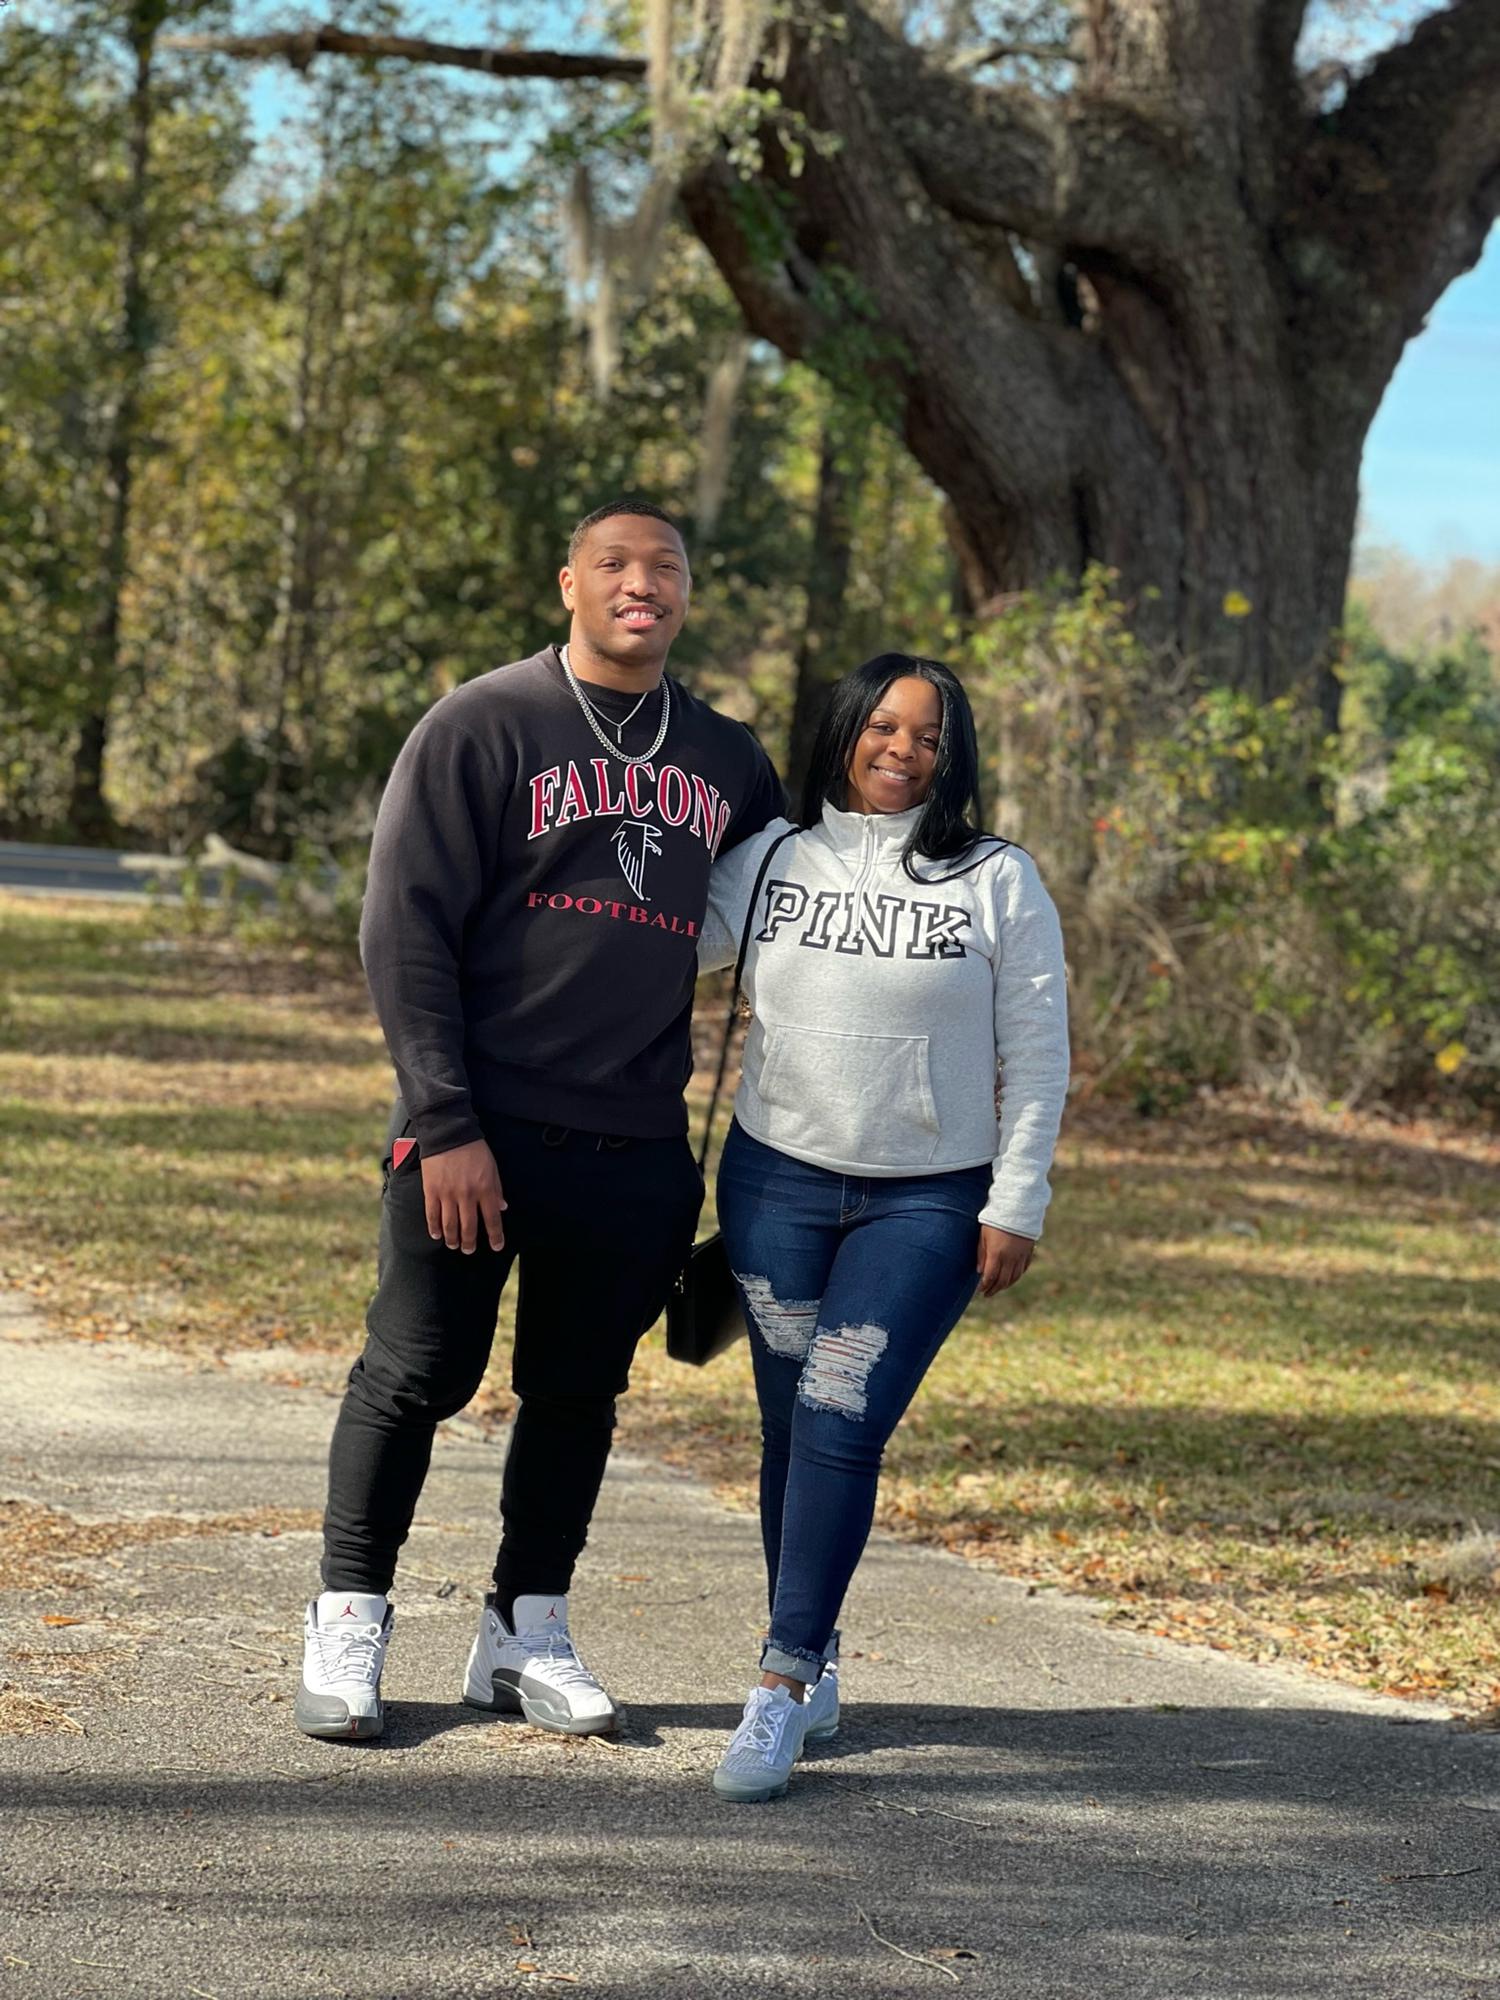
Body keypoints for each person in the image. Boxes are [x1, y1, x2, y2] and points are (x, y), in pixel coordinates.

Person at [295, 500, 783, 1742]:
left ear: (686, 593)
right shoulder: (483, 721)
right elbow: (403, 926)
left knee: (577, 1394)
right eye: (615, 565)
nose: (641, 585)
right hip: (478, 1130)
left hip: (631, 1143)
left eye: (664, 568)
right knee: (416, 1373)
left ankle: (524, 1629)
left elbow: (800, 914)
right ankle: (350, 1615)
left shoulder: (728, 760)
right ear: (568, 581)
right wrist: (444, 1118)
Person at [698, 653, 1069, 1801]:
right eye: (883, 726)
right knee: (786, 1425)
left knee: (840, 1410)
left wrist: (1019, 1195)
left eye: (928, 735)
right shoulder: (769, 860)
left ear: (953, 755)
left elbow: (1039, 1052)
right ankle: (815, 1642)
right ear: (845, 729)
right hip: (776, 1186)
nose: (902, 749)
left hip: (928, 1196)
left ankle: (780, 1677)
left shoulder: (999, 877)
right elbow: (650, 943)